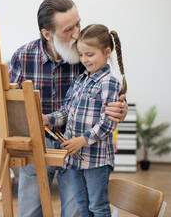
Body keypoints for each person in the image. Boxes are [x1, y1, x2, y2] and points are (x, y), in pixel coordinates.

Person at [9, 0, 128, 217]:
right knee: (30, 211)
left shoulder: (87, 54)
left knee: (79, 211)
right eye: (68, 29)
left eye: (78, 24)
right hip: (37, 144)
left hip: (79, 147)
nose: (76, 34)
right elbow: (12, 105)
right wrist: (42, 119)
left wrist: (121, 107)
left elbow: (109, 95)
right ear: (47, 34)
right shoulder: (23, 56)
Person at [43, 24, 127, 216]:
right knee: (82, 204)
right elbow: (66, 111)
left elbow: (108, 123)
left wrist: (82, 140)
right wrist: (48, 119)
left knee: (98, 206)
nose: (84, 60)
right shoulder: (80, 80)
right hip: (75, 159)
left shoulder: (110, 83)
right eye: (81, 55)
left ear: (107, 52)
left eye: (89, 54)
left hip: (96, 160)